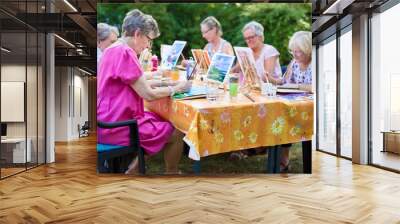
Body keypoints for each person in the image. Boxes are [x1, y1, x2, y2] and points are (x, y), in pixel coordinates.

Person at [97, 9, 191, 175]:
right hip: (120, 125)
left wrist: (164, 82)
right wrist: (176, 88)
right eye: (148, 40)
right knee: (176, 131)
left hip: (107, 119)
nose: (148, 45)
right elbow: (147, 94)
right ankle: (172, 173)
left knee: (159, 119)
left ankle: (132, 170)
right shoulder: (126, 53)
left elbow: (135, 82)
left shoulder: (112, 49)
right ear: (137, 34)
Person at [266, 31, 312, 171]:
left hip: (310, 110)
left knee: (282, 115)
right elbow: (284, 82)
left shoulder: (316, 61)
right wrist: (271, 79)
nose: (295, 55)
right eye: (293, 51)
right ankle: (280, 159)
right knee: (277, 115)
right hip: (295, 106)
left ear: (308, 50)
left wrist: (297, 86)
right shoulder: (294, 62)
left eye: (298, 52)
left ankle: (283, 160)